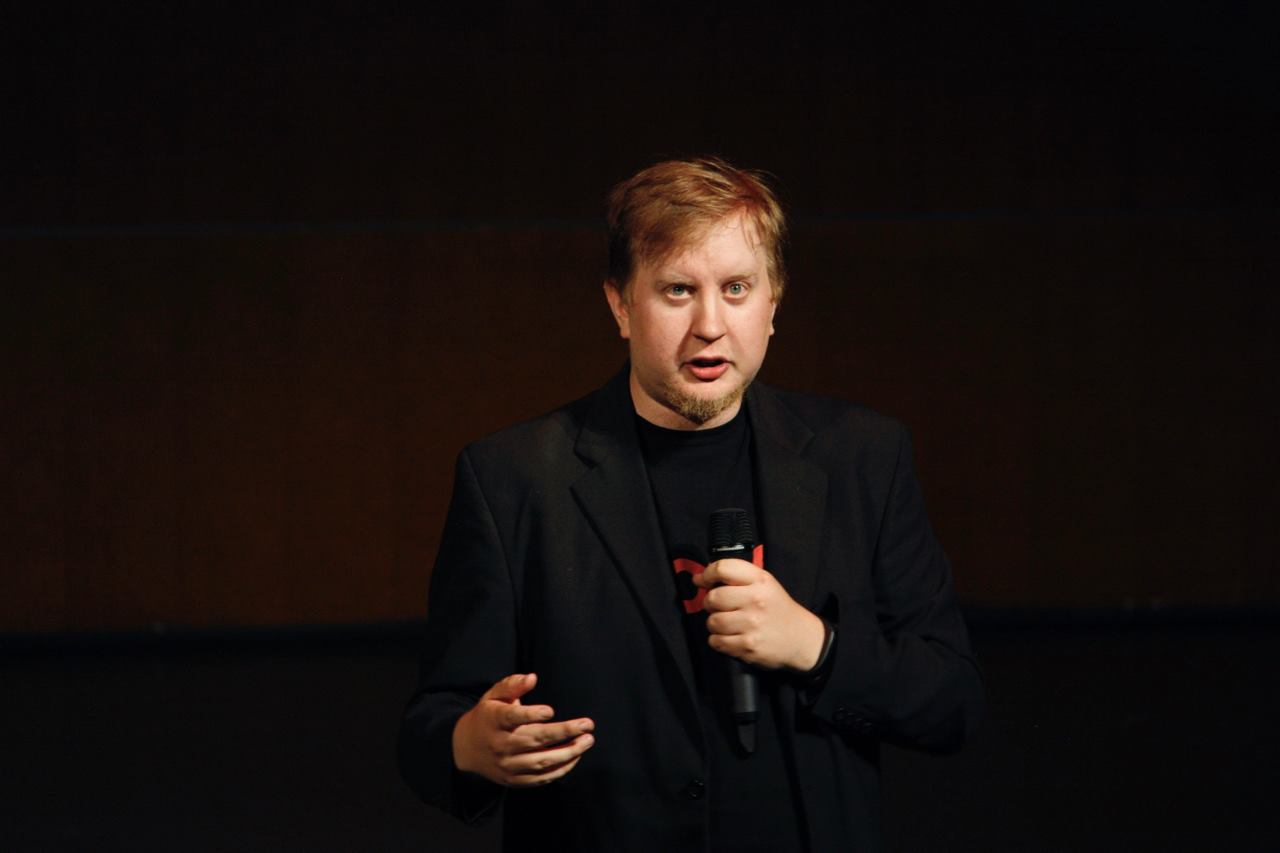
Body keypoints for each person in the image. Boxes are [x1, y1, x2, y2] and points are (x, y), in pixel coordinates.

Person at [397, 156, 984, 851]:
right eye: (677, 290)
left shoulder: (863, 457)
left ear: (775, 301)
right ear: (619, 304)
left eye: (737, 287)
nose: (710, 323)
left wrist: (814, 646)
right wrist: (471, 744)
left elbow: (950, 702)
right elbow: (430, 727)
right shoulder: (514, 478)